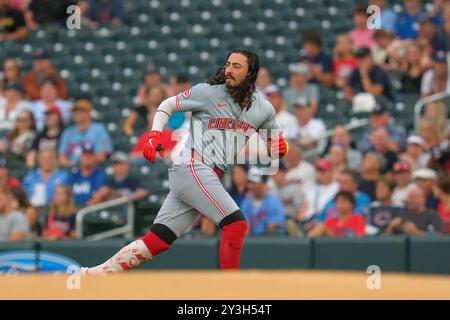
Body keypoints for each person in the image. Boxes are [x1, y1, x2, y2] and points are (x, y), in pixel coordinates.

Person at [81, 49, 289, 274]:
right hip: (193, 167)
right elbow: (167, 105)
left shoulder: (263, 108)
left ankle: (92, 275)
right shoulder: (208, 93)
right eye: (228, 64)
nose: (229, 70)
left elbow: (276, 146)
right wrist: (154, 134)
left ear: (251, 73)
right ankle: (232, 290)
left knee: (157, 240)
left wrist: (281, 148)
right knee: (236, 225)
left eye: (237, 66)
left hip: (203, 177)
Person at [58, 99, 113, 167]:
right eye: (74, 112)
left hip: (93, 169)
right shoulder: (68, 132)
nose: (77, 114)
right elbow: (61, 157)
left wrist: (83, 164)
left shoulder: (99, 129)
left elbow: (102, 156)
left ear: (88, 113)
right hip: (72, 170)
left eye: (80, 111)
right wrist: (73, 165)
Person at [241, 167, 286, 236]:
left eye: (254, 183)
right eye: (249, 183)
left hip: (269, 243)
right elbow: (244, 226)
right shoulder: (246, 202)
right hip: (250, 243)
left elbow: (276, 229)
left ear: (263, 184)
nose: (250, 186)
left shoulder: (274, 202)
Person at [268, 161, 305, 232]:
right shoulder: (269, 189)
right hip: (274, 222)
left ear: (284, 172)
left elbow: (300, 211)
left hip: (291, 221)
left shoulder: (295, 188)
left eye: (277, 172)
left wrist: (285, 222)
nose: (274, 175)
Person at [67, 142, 108, 206]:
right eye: (84, 155)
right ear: (80, 157)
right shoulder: (74, 174)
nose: (86, 158)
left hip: (89, 211)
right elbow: (67, 193)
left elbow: (98, 196)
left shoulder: (100, 174)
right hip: (72, 210)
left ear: (94, 157)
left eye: (89, 155)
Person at [300, 159, 339, 224]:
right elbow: (304, 207)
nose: (320, 173)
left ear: (331, 172)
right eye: (318, 171)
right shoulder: (312, 187)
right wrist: (300, 219)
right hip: (307, 219)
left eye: (323, 171)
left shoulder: (337, 186)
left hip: (324, 220)